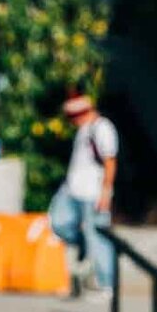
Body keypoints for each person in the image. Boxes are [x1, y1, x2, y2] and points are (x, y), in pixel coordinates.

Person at [48, 90, 118, 293]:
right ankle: (85, 245)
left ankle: (107, 284)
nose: (71, 121)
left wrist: (105, 192)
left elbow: (110, 162)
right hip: (72, 191)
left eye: (73, 117)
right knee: (58, 223)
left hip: (93, 192)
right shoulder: (83, 131)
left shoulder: (102, 127)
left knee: (98, 235)